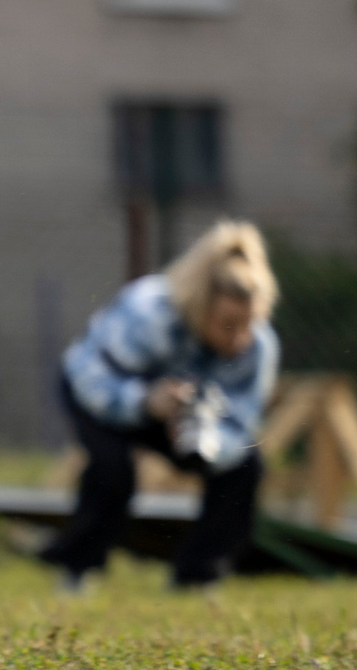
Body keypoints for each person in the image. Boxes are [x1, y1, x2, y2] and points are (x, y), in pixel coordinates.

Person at [41, 220, 281, 590]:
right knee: (113, 468)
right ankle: (77, 567)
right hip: (100, 393)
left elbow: (243, 423)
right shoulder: (149, 311)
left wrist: (207, 442)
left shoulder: (258, 347)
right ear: (201, 306)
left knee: (245, 468)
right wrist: (144, 403)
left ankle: (197, 575)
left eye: (249, 323)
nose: (240, 338)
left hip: (181, 415)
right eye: (228, 324)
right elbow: (94, 379)